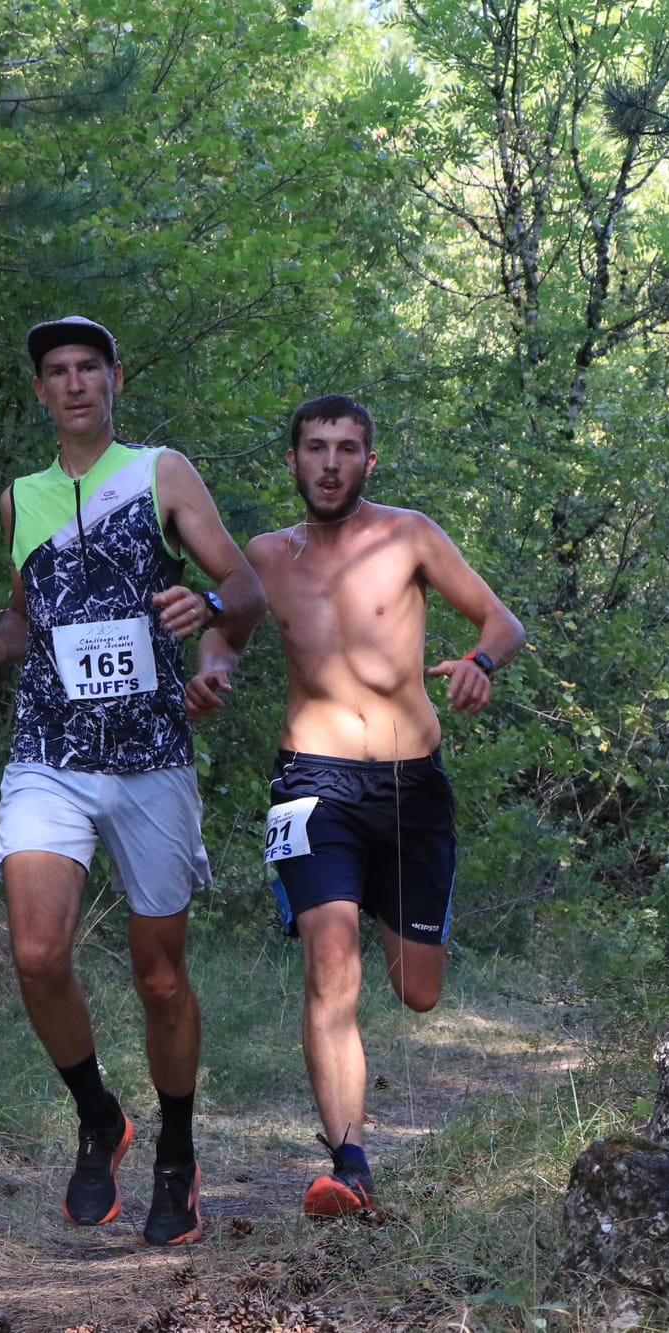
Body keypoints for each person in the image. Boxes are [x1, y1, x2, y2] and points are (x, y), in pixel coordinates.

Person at [0, 317, 265, 1246]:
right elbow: (23, 622)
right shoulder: (20, 500)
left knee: (160, 977)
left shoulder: (162, 472)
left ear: (115, 379)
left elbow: (246, 588)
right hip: (48, 752)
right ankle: (98, 1117)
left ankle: (175, 1151)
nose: (76, 383)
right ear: (41, 392)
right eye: (58, 371)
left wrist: (202, 605)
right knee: (38, 953)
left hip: (151, 757)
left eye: (90, 367)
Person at [189, 393, 524, 1218]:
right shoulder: (265, 556)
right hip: (313, 784)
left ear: (369, 461)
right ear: (294, 459)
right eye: (314, 447)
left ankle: (392, 922)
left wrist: (481, 659)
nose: (330, 462)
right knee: (330, 963)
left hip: (413, 787)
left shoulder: (408, 534)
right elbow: (222, 633)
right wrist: (214, 669)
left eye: (345, 448)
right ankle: (350, 1165)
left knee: (417, 989)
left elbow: (501, 618)